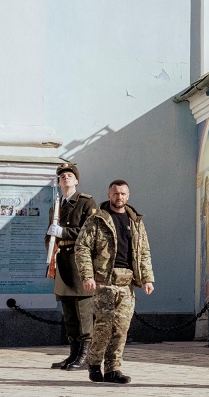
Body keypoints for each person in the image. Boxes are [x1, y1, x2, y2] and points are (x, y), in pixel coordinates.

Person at [74, 180, 155, 384]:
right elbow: (82, 247)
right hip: (104, 282)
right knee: (104, 325)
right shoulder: (97, 220)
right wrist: (88, 276)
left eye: (123, 194)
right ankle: (94, 365)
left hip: (126, 282)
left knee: (121, 328)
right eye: (116, 193)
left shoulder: (135, 221)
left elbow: (143, 252)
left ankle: (113, 368)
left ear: (128, 196)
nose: (119, 197)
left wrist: (147, 279)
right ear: (109, 195)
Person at [46, 164, 98, 370]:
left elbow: (91, 232)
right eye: (62, 177)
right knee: (69, 314)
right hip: (62, 262)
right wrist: (51, 251)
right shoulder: (56, 207)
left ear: (76, 181)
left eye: (70, 176)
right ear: (59, 183)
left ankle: (86, 356)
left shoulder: (86, 203)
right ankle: (74, 353)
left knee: (84, 312)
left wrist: (63, 233)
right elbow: (50, 235)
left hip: (80, 262)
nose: (66, 178)